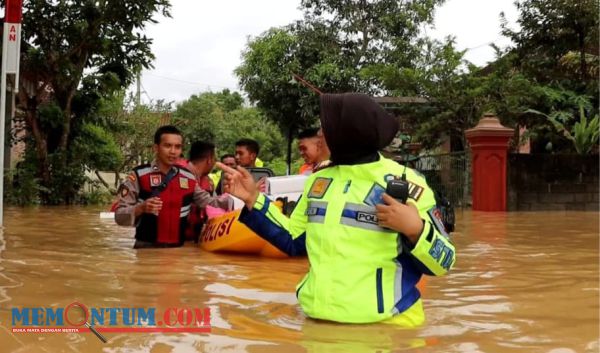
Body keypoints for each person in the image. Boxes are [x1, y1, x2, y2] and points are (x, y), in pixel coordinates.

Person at [217, 93, 456, 326]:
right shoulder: (317, 181)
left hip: (388, 329)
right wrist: (253, 199)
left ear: (350, 131)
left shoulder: (406, 182)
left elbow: (444, 261)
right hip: (318, 324)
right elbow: (292, 239)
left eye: (325, 128)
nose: (320, 136)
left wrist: (416, 230)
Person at [115, 125, 231, 249]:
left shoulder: (189, 178)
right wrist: (141, 208)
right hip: (146, 251)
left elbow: (210, 202)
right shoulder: (138, 175)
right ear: (156, 148)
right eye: (167, 146)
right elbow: (119, 217)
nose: (173, 151)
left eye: (178, 147)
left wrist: (235, 197)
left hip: (178, 253)